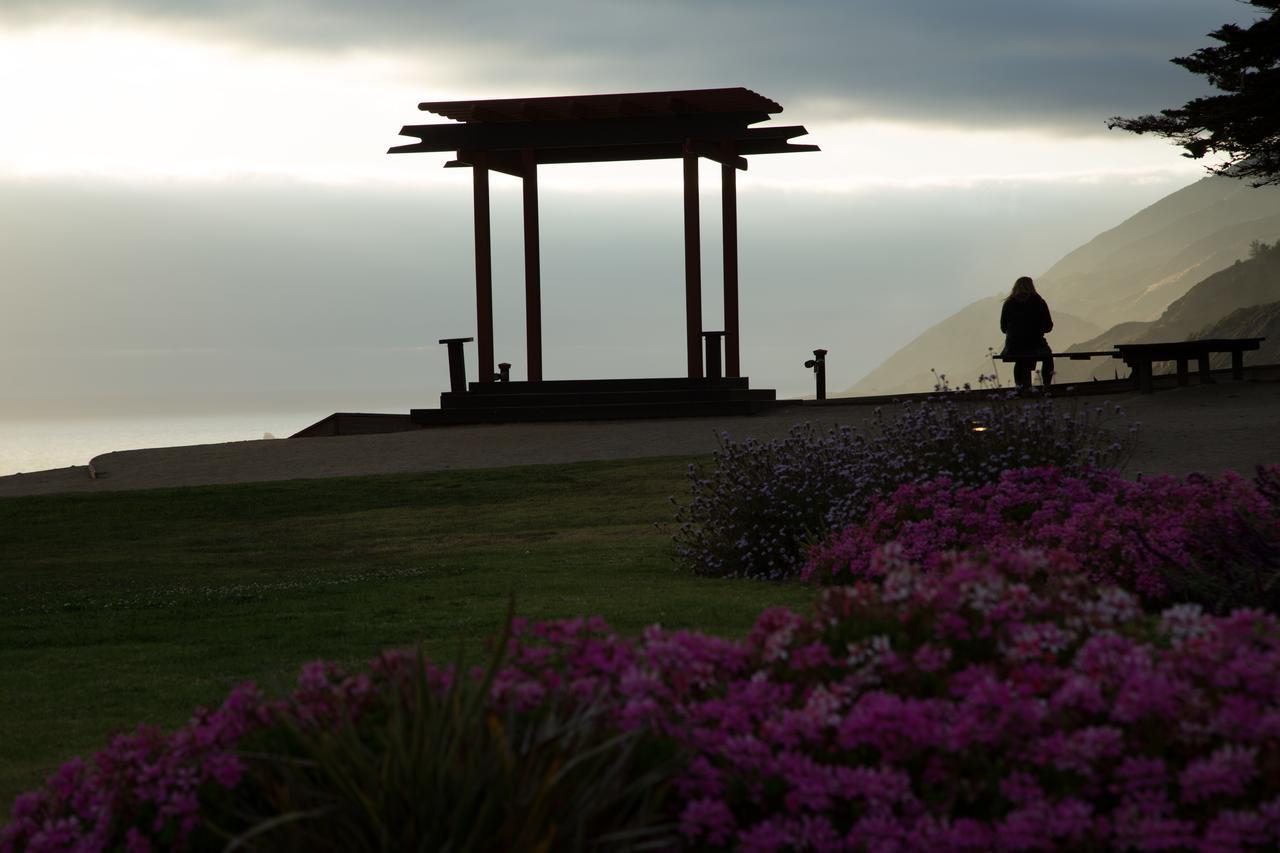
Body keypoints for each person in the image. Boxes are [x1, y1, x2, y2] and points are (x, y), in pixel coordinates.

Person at [1000, 276, 1054, 390]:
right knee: (1048, 356)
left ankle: (1020, 387)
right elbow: (1048, 326)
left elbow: (1003, 328)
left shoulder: (1008, 304)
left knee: (1020, 360)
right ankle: (1047, 386)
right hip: (1035, 344)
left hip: (1013, 346)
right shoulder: (1039, 302)